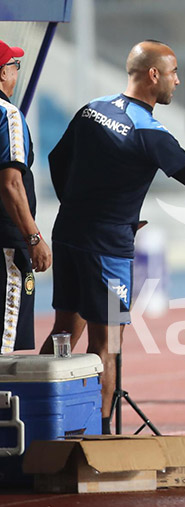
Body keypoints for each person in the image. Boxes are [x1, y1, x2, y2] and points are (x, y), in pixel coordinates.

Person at [38, 40, 185, 434]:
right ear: (154, 75)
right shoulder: (150, 131)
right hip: (108, 248)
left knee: (63, 331)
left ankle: (40, 424)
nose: (177, 80)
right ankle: (100, 434)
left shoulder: (92, 108)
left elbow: (55, 159)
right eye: (172, 73)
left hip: (69, 232)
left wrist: (83, 209)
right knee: (107, 347)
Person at [0, 40, 52, 354]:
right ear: (2, 73)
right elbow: (11, 184)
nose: (17, 71)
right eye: (14, 66)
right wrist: (33, 238)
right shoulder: (8, 115)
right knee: (4, 345)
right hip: (7, 246)